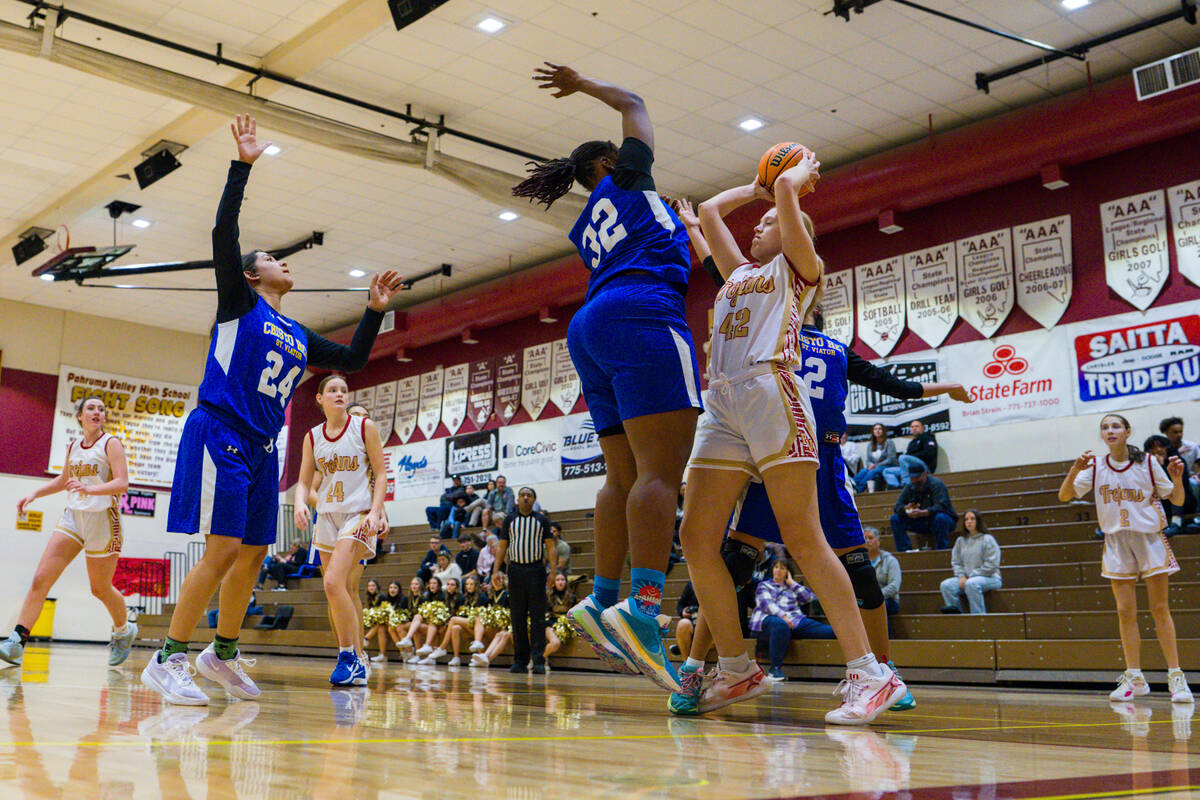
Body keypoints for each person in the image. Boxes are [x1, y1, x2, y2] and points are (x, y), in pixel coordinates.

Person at [140, 114, 402, 707]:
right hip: (220, 432)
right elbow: (222, 231)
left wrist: (374, 309)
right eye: (274, 259)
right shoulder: (239, 303)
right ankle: (168, 658)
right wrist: (242, 166)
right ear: (255, 274)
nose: (286, 263)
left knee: (255, 551)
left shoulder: (298, 332)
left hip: (263, 448)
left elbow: (356, 360)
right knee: (223, 548)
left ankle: (222, 653)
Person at [670, 152, 906, 725]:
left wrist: (791, 184)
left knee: (803, 538)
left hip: (773, 391)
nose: (759, 225)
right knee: (698, 538)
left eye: (771, 221)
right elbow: (706, 210)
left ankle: (870, 675)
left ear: (795, 226)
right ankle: (735, 667)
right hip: (723, 400)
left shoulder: (799, 267)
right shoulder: (739, 276)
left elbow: (786, 211)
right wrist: (755, 188)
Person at [512, 64, 701, 684]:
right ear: (609, 161)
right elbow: (635, 99)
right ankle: (644, 610)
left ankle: (601, 594)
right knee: (659, 474)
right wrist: (584, 85)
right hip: (642, 314)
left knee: (620, 475)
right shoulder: (627, 177)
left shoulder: (593, 217)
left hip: (591, 325)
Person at [1059, 413, 1193, 703]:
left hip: (1148, 539)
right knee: (1125, 612)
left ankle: (1176, 677)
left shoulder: (1146, 462)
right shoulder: (1094, 467)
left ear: (1128, 431)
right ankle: (1135, 677)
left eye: (1115, 426)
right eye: (1105, 427)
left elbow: (1178, 500)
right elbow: (1064, 495)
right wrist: (1074, 469)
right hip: (1117, 542)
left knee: (1159, 609)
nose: (1110, 431)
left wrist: (1178, 479)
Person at [3, 396, 136, 668]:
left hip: (102, 519)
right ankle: (17, 641)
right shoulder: (74, 445)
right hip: (74, 518)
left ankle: (124, 630)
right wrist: (34, 493)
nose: (97, 412)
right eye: (91, 408)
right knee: (40, 579)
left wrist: (90, 489)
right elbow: (65, 480)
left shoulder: (111, 443)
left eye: (101, 409)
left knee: (99, 589)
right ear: (80, 415)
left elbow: (122, 483)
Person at [293, 374, 388, 686]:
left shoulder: (364, 427)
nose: (339, 394)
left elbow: (381, 473)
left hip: (358, 515)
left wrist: (376, 511)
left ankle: (351, 656)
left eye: (344, 390)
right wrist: (299, 503)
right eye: (332, 390)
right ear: (319, 399)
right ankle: (354, 658)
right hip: (328, 517)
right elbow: (304, 481)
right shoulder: (312, 436)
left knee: (337, 583)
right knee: (334, 589)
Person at [497, 487, 555, 674]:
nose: (525, 498)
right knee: (517, 617)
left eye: (529, 495)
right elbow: (502, 546)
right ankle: (520, 660)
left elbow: (551, 547)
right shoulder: (509, 520)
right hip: (515, 571)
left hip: (536, 570)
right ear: (518, 500)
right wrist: (496, 570)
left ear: (534, 500)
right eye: (522, 495)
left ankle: (538, 660)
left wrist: (553, 572)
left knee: (538, 618)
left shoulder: (542, 520)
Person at [751, 560, 834, 681]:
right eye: (776, 567)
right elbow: (766, 604)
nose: (778, 570)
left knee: (831, 631)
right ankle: (774, 670)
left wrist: (792, 583)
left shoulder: (792, 587)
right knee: (780, 625)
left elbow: (809, 598)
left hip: (795, 620)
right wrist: (783, 616)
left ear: (788, 572)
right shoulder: (764, 585)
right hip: (768, 620)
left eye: (782, 568)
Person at [938, 511, 1001, 614]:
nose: (969, 521)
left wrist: (972, 576)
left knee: (972, 584)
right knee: (946, 585)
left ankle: (978, 617)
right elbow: (956, 562)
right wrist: (961, 576)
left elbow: (992, 565)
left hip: (990, 578)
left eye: (972, 518)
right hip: (967, 579)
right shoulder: (960, 541)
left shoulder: (987, 539)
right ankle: (957, 617)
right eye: (966, 519)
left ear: (978, 521)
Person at [889, 462, 957, 552]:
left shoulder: (937, 485)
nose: (915, 480)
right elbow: (897, 507)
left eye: (917, 477)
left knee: (941, 518)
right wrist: (905, 509)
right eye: (912, 478)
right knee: (895, 519)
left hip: (940, 520)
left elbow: (942, 506)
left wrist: (925, 512)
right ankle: (904, 551)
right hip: (921, 521)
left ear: (924, 474)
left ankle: (941, 550)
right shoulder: (909, 487)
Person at [1145, 436, 1199, 536]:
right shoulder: (1145, 465)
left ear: (1167, 447)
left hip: (1183, 500)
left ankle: (1176, 523)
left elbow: (1176, 484)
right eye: (1153, 447)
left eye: (1161, 446)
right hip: (1163, 503)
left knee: (1175, 490)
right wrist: (1157, 466)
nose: (1158, 450)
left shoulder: (1177, 460)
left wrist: (1161, 467)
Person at [471, 571, 512, 668]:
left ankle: (485, 658)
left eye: (500, 579)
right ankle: (480, 648)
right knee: (478, 618)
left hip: (505, 626)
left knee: (502, 634)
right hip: (495, 625)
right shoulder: (490, 595)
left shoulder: (507, 594)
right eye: (495, 579)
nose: (498, 581)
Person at [864, 527, 901, 617]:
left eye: (870, 538)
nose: (867, 541)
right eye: (865, 538)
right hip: (866, 600)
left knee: (878, 605)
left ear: (878, 541)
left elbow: (894, 586)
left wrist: (875, 596)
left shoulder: (890, 560)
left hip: (888, 600)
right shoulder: (860, 561)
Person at [543, 572, 578, 663]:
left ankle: (540, 659)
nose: (560, 582)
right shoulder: (548, 596)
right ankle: (539, 659)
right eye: (558, 580)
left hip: (566, 625)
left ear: (566, 582)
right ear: (554, 582)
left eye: (563, 580)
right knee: (555, 643)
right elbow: (545, 614)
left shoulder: (572, 597)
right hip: (550, 624)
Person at [854, 424, 898, 493]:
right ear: (873, 432)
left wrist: (876, 465)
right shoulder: (870, 445)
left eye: (880, 429)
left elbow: (890, 459)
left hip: (888, 466)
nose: (877, 430)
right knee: (863, 471)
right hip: (875, 467)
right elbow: (868, 460)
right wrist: (869, 465)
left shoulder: (889, 442)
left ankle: (858, 489)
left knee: (873, 472)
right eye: (875, 429)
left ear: (883, 431)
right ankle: (852, 484)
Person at [893, 420, 938, 486]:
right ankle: (896, 488)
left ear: (923, 428)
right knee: (887, 471)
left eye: (917, 426)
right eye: (912, 427)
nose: (914, 428)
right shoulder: (911, 443)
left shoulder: (928, 438)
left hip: (925, 467)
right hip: (911, 467)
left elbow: (930, 453)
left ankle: (906, 485)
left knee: (902, 457)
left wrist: (912, 456)